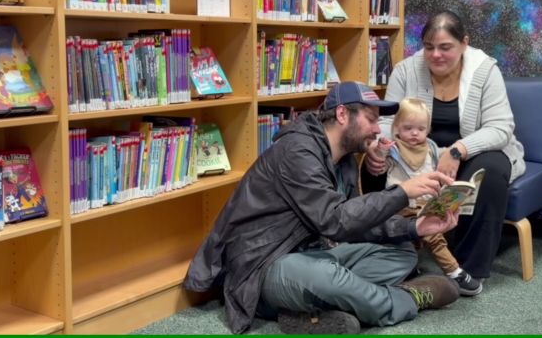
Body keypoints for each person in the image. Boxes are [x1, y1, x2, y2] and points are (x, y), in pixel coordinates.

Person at [184, 82, 460, 335]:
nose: (378, 130)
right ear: (342, 114)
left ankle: (314, 311)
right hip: (264, 265)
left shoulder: (346, 158)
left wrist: (413, 227)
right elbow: (335, 220)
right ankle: (406, 298)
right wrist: (402, 192)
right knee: (325, 276)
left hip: (315, 252)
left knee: (403, 252)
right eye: (371, 119)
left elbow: (356, 221)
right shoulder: (296, 151)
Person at [362, 10, 526, 283]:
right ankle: (392, 255)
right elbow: (388, 121)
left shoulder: (486, 71)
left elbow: (500, 128)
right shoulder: (406, 70)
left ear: (464, 43)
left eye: (445, 47)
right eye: (429, 47)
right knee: (372, 167)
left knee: (491, 172)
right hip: (414, 153)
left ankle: (468, 270)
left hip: (471, 152)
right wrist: (379, 146)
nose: (436, 55)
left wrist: (457, 150)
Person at [382, 98, 483, 296]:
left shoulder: (431, 148)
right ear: (396, 128)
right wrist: (379, 151)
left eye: (420, 129)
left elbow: (444, 159)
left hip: (427, 204)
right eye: (408, 128)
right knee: (433, 237)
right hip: (402, 205)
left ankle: (407, 270)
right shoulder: (393, 150)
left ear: (427, 129)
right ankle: (454, 271)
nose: (414, 133)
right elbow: (378, 167)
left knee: (415, 240)